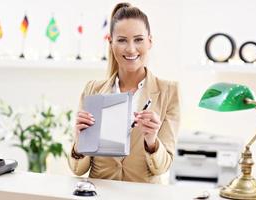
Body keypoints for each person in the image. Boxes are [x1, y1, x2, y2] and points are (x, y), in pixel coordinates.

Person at [68, 2, 180, 184]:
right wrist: (80, 141)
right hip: (100, 194)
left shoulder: (169, 91)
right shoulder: (93, 89)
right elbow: (77, 169)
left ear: (150, 41)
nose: (130, 49)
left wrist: (151, 141)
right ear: (110, 42)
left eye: (138, 39)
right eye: (121, 40)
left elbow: (162, 166)